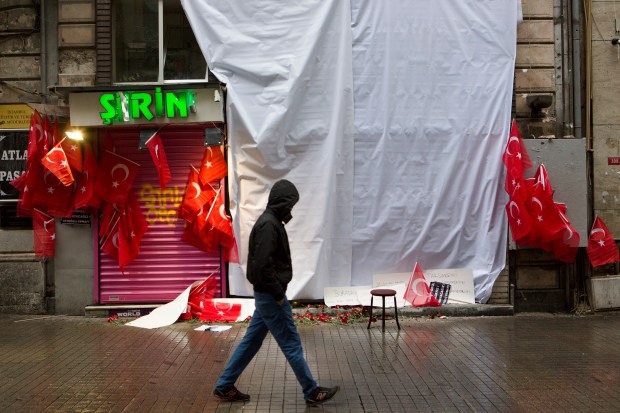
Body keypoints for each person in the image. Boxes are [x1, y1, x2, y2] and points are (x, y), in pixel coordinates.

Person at [213, 179, 339, 406]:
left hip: (265, 295)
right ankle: (311, 391)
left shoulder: (269, 222)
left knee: (251, 342)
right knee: (291, 343)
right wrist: (279, 293)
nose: (291, 209)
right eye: (290, 204)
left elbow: (261, 266)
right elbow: (262, 266)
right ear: (282, 202)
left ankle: (224, 386)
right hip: (271, 296)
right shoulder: (269, 225)